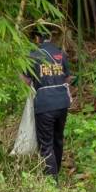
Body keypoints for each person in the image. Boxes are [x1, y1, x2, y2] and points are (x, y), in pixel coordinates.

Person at [20, 30, 73, 180]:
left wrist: (19, 71)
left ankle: (52, 180)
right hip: (62, 103)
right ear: (50, 37)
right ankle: (56, 172)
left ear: (37, 38)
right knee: (58, 138)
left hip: (45, 104)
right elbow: (68, 78)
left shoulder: (33, 55)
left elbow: (27, 81)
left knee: (46, 143)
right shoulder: (60, 53)